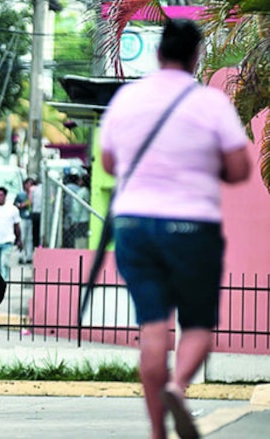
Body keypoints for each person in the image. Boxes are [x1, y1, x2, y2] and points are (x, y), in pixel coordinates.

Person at [100, 19, 251, 439]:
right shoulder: (209, 103)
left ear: (157, 53)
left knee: (152, 327)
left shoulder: (127, 99)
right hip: (191, 225)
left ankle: (156, 432)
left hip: (134, 225)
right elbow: (240, 169)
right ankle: (176, 385)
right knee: (198, 325)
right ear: (196, 56)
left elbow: (110, 163)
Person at [14, 179, 35, 263]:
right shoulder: (21, 195)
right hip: (22, 217)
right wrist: (22, 205)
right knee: (22, 237)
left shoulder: (34, 194)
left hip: (30, 218)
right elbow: (15, 204)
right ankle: (21, 255)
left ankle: (29, 256)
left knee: (30, 238)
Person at [30, 178, 42, 248]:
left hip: (35, 212)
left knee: (35, 232)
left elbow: (30, 201)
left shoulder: (33, 189)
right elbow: (52, 199)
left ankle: (36, 246)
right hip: (44, 213)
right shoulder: (49, 188)